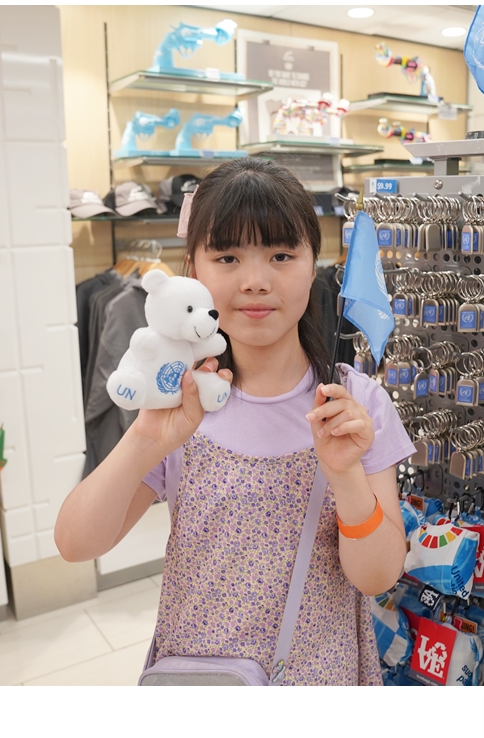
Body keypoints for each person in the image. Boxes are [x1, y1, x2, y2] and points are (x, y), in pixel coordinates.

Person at [56, 157, 415, 685]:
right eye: (227, 257)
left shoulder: (356, 406)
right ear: (194, 270)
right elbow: (75, 544)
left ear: (314, 263)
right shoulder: (179, 403)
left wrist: (345, 475)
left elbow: (377, 576)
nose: (255, 282)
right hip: (202, 683)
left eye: (281, 255)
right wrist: (146, 437)